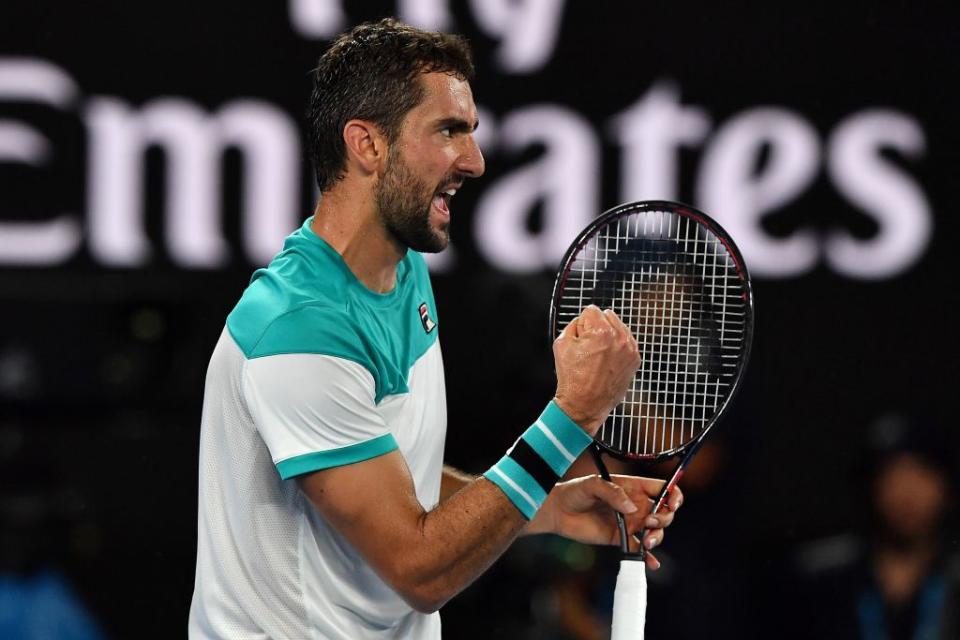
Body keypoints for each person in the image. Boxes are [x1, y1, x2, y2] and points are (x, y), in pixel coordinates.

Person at [188, 18, 683, 639]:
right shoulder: (298, 335)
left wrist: (546, 506)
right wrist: (573, 417)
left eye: (470, 132)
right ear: (367, 145)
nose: (474, 161)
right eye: (449, 131)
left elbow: (397, 481)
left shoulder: (404, 269)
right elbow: (420, 571)